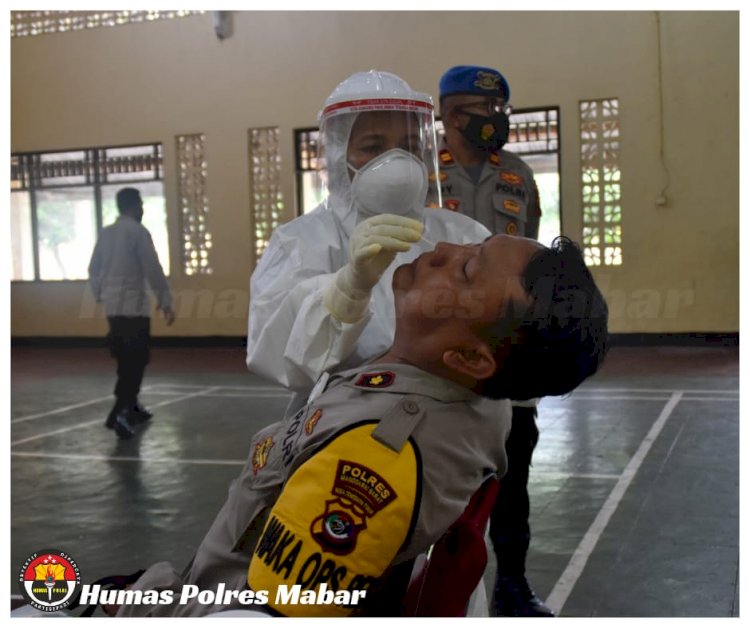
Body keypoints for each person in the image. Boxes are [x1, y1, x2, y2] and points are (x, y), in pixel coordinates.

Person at [114, 234, 609, 618]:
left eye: (466, 268)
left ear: (467, 356)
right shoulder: (475, 399)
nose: (441, 248)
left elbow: (258, 615)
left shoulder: (375, 454)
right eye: (473, 246)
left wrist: (130, 599)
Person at [245, 69, 492, 416]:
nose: (396, 162)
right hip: (340, 428)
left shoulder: (462, 235)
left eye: (408, 147)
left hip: (452, 427)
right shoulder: (300, 242)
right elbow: (278, 357)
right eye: (373, 147)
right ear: (335, 155)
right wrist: (346, 289)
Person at [429, 64, 549, 617]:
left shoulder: (518, 176)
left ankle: (513, 587)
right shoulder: (422, 177)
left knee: (512, 481)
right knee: (435, 483)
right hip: (440, 360)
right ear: (452, 115)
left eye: (501, 111)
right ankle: (431, 593)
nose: (498, 122)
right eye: (486, 113)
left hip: (505, 358)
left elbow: (530, 260)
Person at [88, 187, 175, 440]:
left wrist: (99, 294)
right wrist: (165, 300)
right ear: (134, 206)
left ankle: (132, 407)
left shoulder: (106, 234)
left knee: (125, 358)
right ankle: (120, 412)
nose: (143, 208)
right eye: (141, 203)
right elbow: (152, 268)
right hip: (134, 309)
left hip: (113, 309)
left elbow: (93, 267)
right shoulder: (137, 232)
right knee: (134, 361)